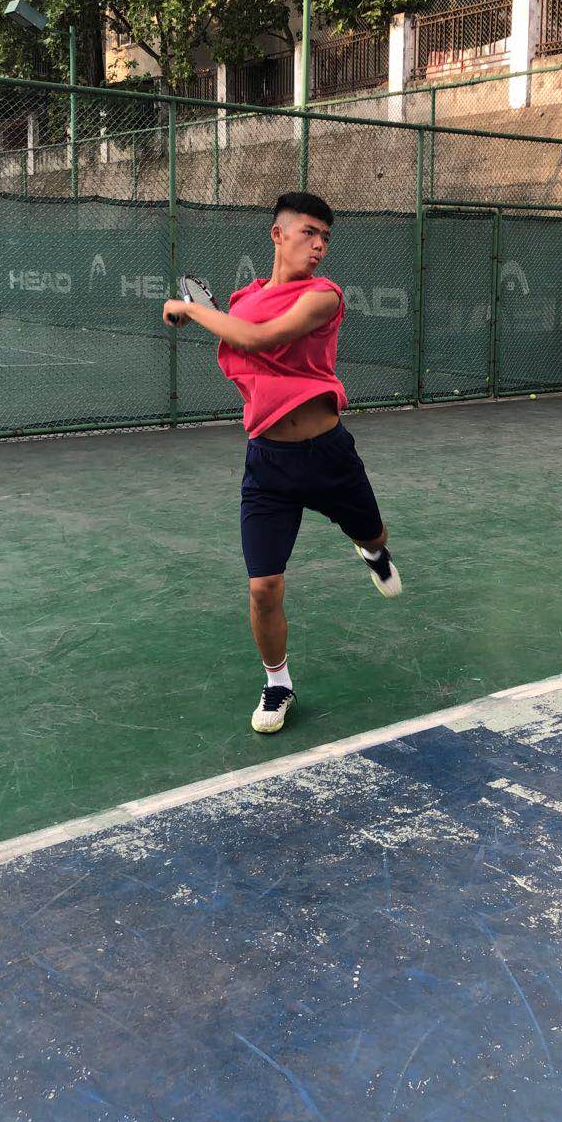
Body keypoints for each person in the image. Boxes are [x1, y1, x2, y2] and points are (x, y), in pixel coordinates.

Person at [162, 191, 400, 735]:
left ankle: (371, 551)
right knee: (263, 587)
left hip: (329, 456)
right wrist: (213, 316)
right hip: (268, 464)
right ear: (278, 234)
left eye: (325, 238)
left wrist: (192, 309)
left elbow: (256, 339)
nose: (318, 246)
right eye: (308, 233)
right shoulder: (244, 300)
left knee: (374, 532)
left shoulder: (324, 296)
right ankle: (278, 683)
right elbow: (241, 336)